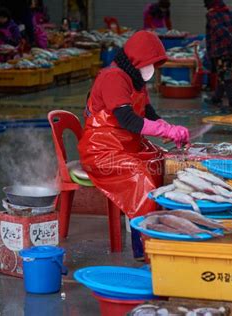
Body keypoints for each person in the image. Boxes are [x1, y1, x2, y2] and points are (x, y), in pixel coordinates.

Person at [78, 31, 190, 258]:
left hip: (127, 144)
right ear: (137, 60)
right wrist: (164, 130)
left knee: (161, 161)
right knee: (142, 180)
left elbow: (147, 112)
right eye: (151, 62)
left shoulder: (136, 79)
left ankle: (164, 231)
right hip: (101, 150)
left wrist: (167, 128)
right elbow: (128, 120)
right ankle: (145, 248)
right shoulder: (113, 78)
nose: (153, 68)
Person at [204, 0, 232, 108]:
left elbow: (220, 31)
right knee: (223, 74)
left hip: (221, 51)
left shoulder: (212, 15)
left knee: (225, 76)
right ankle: (216, 98)